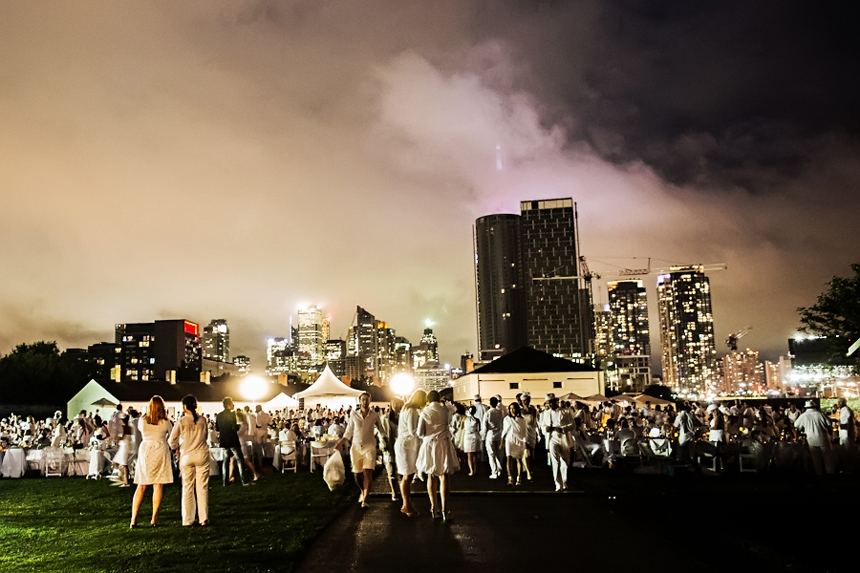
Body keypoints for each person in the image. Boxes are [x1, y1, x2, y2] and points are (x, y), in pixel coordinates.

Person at [130, 396, 173, 528]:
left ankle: (134, 519)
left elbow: (141, 431)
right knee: (158, 485)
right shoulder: (166, 422)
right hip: (160, 449)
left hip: (146, 450)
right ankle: (154, 518)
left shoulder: (142, 421)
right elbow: (172, 436)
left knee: (142, 485)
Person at [416, 390, 460, 521]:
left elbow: (419, 432)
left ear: (428, 400)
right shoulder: (446, 410)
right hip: (444, 444)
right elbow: (451, 422)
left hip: (430, 445)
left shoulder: (425, 412)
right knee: (444, 476)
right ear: (439, 398)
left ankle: (434, 508)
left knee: (431, 475)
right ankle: (445, 510)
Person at [336, 392, 385, 508]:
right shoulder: (354, 415)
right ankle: (363, 490)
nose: (365, 401)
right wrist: (341, 442)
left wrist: (384, 439)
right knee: (357, 474)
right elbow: (349, 431)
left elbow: (381, 429)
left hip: (369, 446)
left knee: (368, 473)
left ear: (370, 401)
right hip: (356, 446)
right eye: (363, 399)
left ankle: (366, 500)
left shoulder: (374, 415)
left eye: (367, 399)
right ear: (359, 401)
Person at [169, 395, 210, 527]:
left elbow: (171, 441)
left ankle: (187, 519)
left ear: (184, 407)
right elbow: (206, 436)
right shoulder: (203, 420)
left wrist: (176, 448)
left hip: (187, 455)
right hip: (202, 454)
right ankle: (203, 518)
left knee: (187, 487)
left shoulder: (181, 421)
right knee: (202, 487)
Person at [396, 389, 427, 517]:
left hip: (406, 444)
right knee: (407, 475)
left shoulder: (406, 409)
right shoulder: (412, 411)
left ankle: (406, 504)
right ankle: (407, 505)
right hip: (406, 445)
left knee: (407, 475)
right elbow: (413, 430)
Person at [794, 400, 835, 475]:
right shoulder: (821, 414)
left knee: (816, 461)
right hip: (823, 439)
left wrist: (798, 435)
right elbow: (829, 424)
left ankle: (819, 478)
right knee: (828, 460)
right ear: (815, 406)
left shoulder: (803, 415)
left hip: (811, 440)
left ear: (806, 407)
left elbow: (796, 425)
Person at [215, 397, 249, 486]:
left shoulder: (219, 416)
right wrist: (237, 427)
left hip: (224, 440)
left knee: (225, 461)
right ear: (228, 405)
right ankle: (244, 480)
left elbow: (217, 428)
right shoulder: (231, 415)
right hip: (232, 439)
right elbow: (234, 427)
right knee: (239, 460)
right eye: (232, 404)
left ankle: (225, 482)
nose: (233, 405)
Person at [543, 396, 571, 492]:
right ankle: (558, 484)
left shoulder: (565, 412)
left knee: (565, 461)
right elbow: (543, 426)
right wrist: (546, 429)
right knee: (555, 461)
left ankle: (564, 480)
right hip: (552, 437)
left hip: (563, 437)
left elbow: (573, 424)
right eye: (548, 403)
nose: (550, 404)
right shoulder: (546, 413)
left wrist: (563, 428)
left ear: (556, 402)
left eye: (551, 402)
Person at [501, 402, 527, 485]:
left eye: (514, 408)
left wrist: (525, 441)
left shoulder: (522, 420)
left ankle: (519, 478)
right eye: (511, 408)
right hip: (509, 439)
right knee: (509, 458)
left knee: (519, 459)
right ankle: (510, 477)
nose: (512, 410)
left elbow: (524, 431)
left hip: (519, 440)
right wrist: (502, 441)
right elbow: (504, 431)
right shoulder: (507, 419)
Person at [482, 396, 504, 479]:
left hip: (490, 434)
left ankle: (494, 472)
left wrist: (483, 436)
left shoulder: (488, 413)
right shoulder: (500, 412)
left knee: (491, 454)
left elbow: (485, 426)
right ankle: (500, 470)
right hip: (499, 434)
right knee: (499, 454)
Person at [461, 405, 481, 476]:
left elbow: (461, 427)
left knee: (469, 454)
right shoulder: (477, 419)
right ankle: (474, 469)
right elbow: (479, 429)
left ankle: (471, 470)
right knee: (474, 454)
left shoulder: (464, 419)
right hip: (474, 435)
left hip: (467, 436)